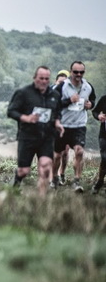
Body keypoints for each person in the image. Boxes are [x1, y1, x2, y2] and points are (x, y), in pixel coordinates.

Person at [7, 66, 64, 196]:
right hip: (27, 136)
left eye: (46, 79)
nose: (44, 81)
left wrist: (57, 123)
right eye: (41, 78)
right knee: (24, 171)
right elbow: (11, 111)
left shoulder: (55, 95)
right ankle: (15, 185)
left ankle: (41, 201)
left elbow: (57, 112)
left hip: (47, 137)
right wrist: (26, 118)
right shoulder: (23, 93)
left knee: (45, 167)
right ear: (35, 78)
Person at [51, 61, 96, 192]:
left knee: (79, 151)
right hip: (63, 125)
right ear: (71, 72)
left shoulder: (88, 86)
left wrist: (90, 105)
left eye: (81, 72)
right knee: (58, 155)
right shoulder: (62, 86)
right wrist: (68, 101)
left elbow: (93, 100)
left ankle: (76, 181)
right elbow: (54, 103)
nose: (78, 74)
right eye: (76, 72)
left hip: (79, 125)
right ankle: (54, 178)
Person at [52, 70, 71, 185]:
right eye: (60, 82)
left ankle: (62, 173)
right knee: (54, 152)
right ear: (56, 81)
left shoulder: (71, 92)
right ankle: (53, 175)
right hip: (53, 124)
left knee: (65, 152)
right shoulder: (51, 91)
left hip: (68, 124)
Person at [90, 94, 106, 194]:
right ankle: (100, 182)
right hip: (104, 135)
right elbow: (95, 111)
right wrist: (99, 116)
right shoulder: (104, 98)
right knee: (104, 157)